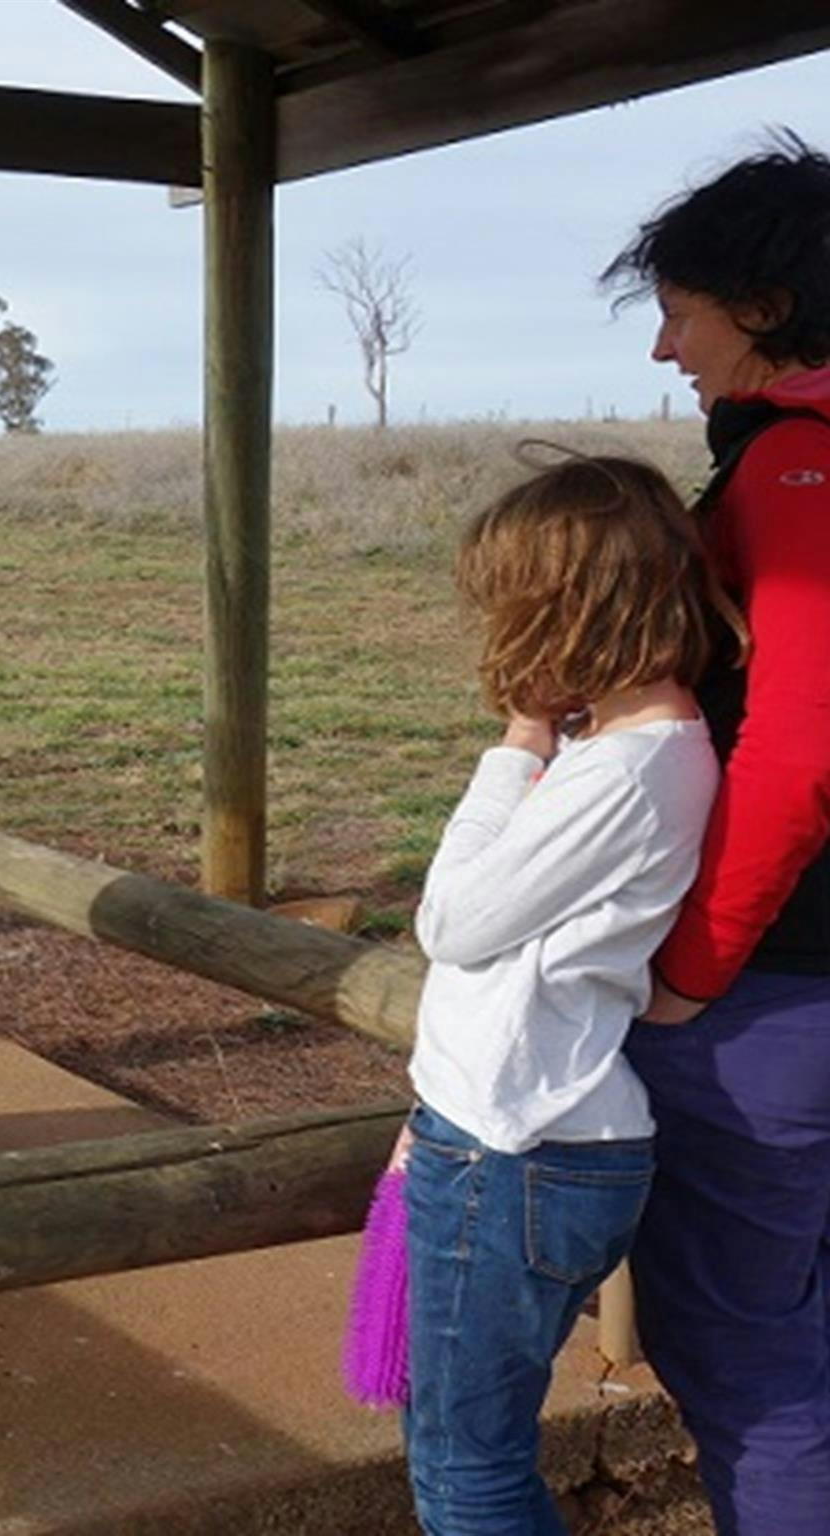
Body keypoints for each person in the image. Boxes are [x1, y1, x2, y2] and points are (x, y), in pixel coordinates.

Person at [402, 454, 734, 1534]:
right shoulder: (631, 747)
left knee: (465, 1472)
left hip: (512, 1153)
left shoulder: (623, 768)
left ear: (564, 604)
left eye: (509, 598)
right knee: (464, 1451)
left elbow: (452, 923)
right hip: (513, 1141)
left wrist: (513, 745)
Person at [604, 136, 830, 1536]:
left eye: (680, 311)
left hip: (781, 996)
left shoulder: (796, 468)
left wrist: (691, 967)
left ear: (759, 308)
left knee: (749, 1357)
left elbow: (801, 751)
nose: (664, 349)